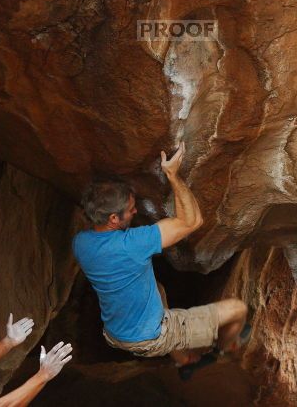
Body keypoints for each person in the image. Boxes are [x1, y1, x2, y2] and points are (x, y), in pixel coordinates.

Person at [72, 142, 249, 370]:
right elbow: (192, 221)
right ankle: (222, 350)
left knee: (159, 289)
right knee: (237, 309)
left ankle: (182, 359)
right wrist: (173, 175)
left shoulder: (81, 242)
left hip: (114, 331)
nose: (135, 211)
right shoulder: (133, 244)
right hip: (152, 337)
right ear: (113, 219)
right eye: (130, 209)